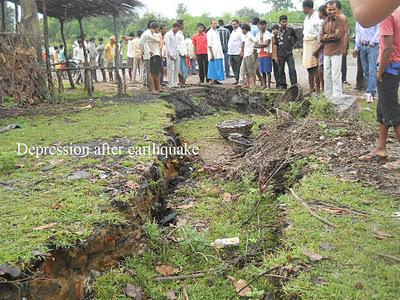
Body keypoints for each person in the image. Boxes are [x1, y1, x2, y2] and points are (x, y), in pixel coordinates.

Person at [361, 6, 400, 170]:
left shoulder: (387, 15)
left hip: (390, 67)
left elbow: (387, 48)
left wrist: (379, 73)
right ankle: (381, 148)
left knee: (392, 111)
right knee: (382, 108)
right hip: (397, 65)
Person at [320, 1, 346, 100]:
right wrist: (330, 36)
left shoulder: (341, 20)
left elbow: (338, 36)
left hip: (336, 51)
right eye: (329, 9)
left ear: (337, 9)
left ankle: (337, 97)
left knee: (336, 75)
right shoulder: (324, 22)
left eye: (333, 9)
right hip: (326, 52)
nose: (331, 11)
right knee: (327, 75)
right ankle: (328, 97)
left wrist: (326, 36)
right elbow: (320, 38)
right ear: (326, 10)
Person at [353, 22, 380, 102]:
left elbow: (379, 31)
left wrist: (372, 42)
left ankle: (371, 91)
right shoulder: (359, 20)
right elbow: (358, 33)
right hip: (362, 46)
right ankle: (368, 90)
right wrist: (356, 47)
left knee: (372, 69)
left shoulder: (376, 17)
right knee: (366, 70)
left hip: (372, 46)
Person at [302, 0, 321, 93]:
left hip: (314, 43)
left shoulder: (317, 17)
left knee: (315, 68)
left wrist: (318, 48)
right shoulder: (306, 19)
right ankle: (311, 88)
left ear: (307, 7)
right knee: (309, 67)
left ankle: (318, 89)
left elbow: (320, 33)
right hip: (306, 44)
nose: (303, 10)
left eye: (303, 8)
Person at [275, 15, 298, 89]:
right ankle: (283, 85)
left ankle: (294, 86)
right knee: (281, 71)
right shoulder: (277, 33)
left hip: (289, 54)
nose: (285, 23)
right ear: (279, 22)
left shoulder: (290, 30)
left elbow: (296, 39)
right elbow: (275, 45)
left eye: (286, 21)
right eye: (283, 22)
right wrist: (275, 56)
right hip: (280, 55)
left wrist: (293, 46)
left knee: (292, 69)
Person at [313, 5, 328, 92]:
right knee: (321, 70)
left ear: (321, 13)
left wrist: (317, 50)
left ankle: (324, 90)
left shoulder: (325, 23)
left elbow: (324, 40)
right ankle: (323, 89)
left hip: (324, 50)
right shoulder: (323, 22)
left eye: (319, 12)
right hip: (322, 50)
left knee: (322, 70)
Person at [334, 0, 350, 85]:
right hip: (338, 46)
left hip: (341, 45)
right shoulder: (336, 18)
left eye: (334, 9)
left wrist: (344, 47)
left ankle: (341, 83)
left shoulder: (342, 18)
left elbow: (346, 33)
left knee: (340, 66)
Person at [255, 20, 272, 88]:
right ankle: (264, 85)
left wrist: (258, 45)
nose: (262, 26)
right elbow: (254, 44)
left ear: (265, 25)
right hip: (260, 54)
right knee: (262, 71)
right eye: (260, 25)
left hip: (266, 53)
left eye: (263, 24)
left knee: (268, 70)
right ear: (259, 26)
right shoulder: (257, 34)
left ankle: (268, 85)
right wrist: (261, 45)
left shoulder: (268, 34)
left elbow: (266, 44)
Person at [207, 19, 225, 84]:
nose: (215, 25)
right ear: (211, 24)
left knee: (218, 66)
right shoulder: (209, 32)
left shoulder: (217, 32)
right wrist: (212, 54)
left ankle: (216, 79)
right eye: (213, 23)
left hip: (218, 52)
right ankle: (211, 80)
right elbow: (209, 44)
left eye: (216, 23)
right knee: (212, 66)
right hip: (213, 52)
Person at [147, 22, 163, 94]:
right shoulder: (149, 35)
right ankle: (153, 89)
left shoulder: (155, 35)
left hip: (157, 55)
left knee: (157, 72)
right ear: (156, 28)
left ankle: (158, 87)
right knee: (152, 73)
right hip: (153, 55)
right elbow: (158, 40)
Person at [165, 22, 181, 88]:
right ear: (174, 27)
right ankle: (170, 83)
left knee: (176, 69)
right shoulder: (168, 34)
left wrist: (177, 52)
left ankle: (175, 82)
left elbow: (177, 45)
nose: (178, 30)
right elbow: (167, 45)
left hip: (176, 53)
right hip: (170, 54)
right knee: (170, 69)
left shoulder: (177, 34)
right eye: (177, 28)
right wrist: (170, 54)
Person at [228, 19, 243, 85]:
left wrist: (242, 51)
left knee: (239, 67)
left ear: (238, 24)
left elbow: (243, 42)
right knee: (234, 67)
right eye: (233, 24)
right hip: (231, 52)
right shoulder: (233, 32)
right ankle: (237, 79)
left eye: (235, 24)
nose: (234, 25)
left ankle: (240, 80)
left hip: (237, 52)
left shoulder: (240, 31)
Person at [140, 21, 155, 88]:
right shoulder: (147, 34)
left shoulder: (149, 33)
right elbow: (141, 43)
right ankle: (147, 83)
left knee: (147, 69)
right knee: (147, 69)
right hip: (147, 54)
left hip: (148, 53)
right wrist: (143, 51)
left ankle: (146, 82)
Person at [176, 20, 189, 87]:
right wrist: (182, 53)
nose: (183, 26)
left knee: (184, 68)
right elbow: (177, 46)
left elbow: (183, 44)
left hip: (184, 53)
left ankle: (183, 82)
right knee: (181, 69)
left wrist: (186, 52)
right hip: (180, 54)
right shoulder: (177, 34)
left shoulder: (182, 33)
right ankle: (181, 82)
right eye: (182, 25)